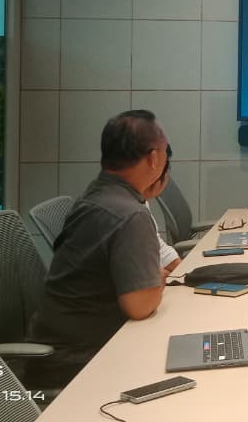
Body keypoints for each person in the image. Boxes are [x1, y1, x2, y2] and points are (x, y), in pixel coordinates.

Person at [27, 110, 174, 388]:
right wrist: (157, 278)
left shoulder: (98, 195)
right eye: (166, 152)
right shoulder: (130, 215)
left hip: (56, 350)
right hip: (80, 363)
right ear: (154, 158)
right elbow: (140, 306)